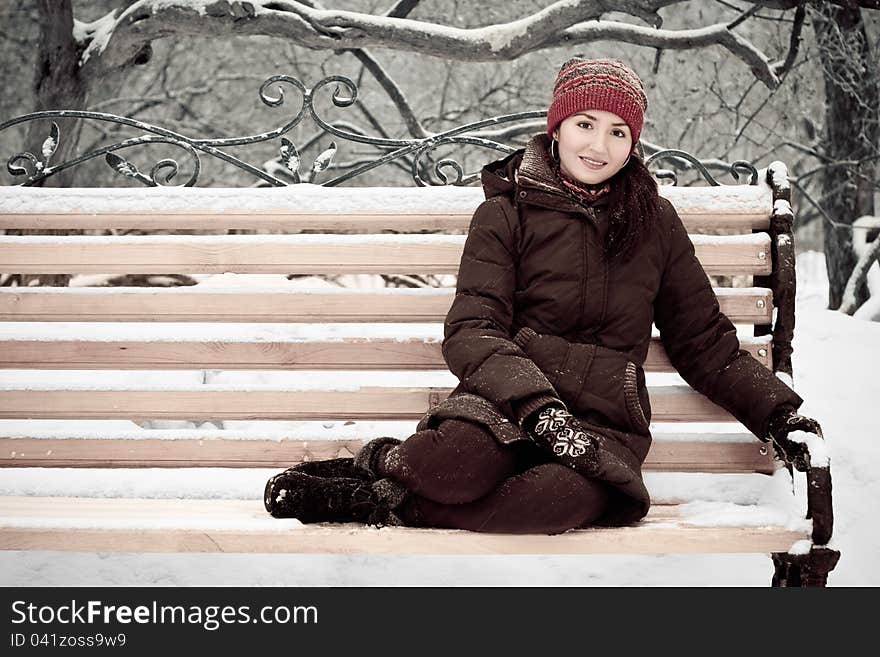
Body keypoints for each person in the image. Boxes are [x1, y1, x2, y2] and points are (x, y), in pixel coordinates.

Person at [264, 58, 823, 533]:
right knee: (450, 467)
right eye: (585, 123)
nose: (599, 145)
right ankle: (380, 462)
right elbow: (472, 329)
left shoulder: (653, 225)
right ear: (556, 127)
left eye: (618, 132)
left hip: (599, 424)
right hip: (504, 405)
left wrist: (782, 417)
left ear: (633, 144)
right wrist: (536, 405)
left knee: (547, 503)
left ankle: (383, 501)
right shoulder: (506, 212)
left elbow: (706, 344)